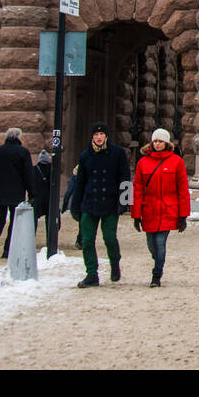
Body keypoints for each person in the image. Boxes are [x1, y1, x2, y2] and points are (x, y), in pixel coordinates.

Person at [69, 121, 131, 288]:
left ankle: (115, 263)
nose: (98, 137)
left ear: (106, 136)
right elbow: (79, 183)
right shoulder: (85, 156)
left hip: (110, 203)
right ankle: (91, 274)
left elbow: (125, 177)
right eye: (96, 135)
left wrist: (124, 202)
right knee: (87, 240)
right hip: (89, 203)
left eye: (101, 134)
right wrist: (75, 206)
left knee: (109, 238)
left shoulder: (117, 153)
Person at [131, 127, 190, 287]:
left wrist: (183, 216)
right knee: (151, 243)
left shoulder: (176, 162)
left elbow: (183, 190)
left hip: (168, 209)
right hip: (149, 210)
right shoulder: (143, 162)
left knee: (160, 242)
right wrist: (136, 215)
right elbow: (137, 189)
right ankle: (158, 261)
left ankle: (156, 274)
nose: (157, 144)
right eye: (155, 141)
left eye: (161, 141)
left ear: (167, 143)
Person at [0, 127, 37, 258]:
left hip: (0, 190)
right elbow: (28, 174)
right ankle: (7, 249)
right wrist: (32, 193)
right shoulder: (23, 152)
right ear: (18, 138)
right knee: (14, 221)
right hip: (17, 191)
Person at [32, 149, 52, 227]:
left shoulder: (34, 169)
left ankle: (32, 236)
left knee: (34, 218)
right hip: (49, 197)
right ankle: (49, 238)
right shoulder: (52, 169)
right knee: (49, 219)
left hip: (37, 196)